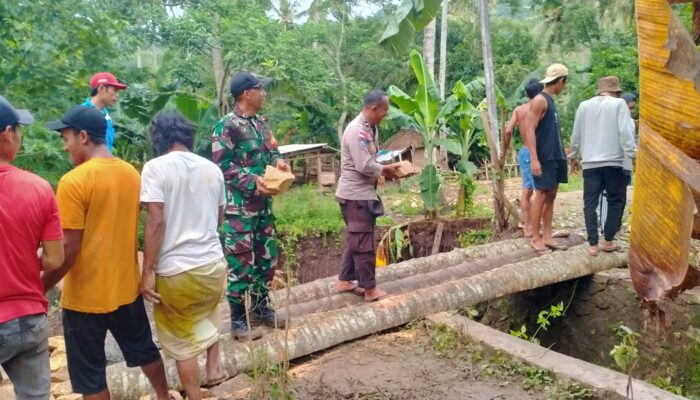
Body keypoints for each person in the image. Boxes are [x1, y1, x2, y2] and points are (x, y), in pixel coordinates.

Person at [41, 105, 170, 399]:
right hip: (126, 289)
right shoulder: (130, 173)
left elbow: (68, 249)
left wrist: (42, 287)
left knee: (91, 376)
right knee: (145, 350)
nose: (65, 146)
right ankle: (164, 396)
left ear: (83, 136)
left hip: (85, 299)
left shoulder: (73, 182)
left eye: (66, 138)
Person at [140, 111, 228, 397]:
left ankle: (193, 394)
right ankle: (214, 368)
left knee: (182, 341)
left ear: (159, 138)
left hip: (177, 271)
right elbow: (218, 221)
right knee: (208, 309)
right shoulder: (211, 169)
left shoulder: (155, 168)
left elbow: (155, 221)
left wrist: (148, 271)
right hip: (213, 265)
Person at [212, 71, 291, 340]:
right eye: (261, 89)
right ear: (246, 93)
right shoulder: (226, 126)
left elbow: (273, 151)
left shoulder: (261, 124)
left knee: (266, 259)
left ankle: (260, 308)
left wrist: (279, 163)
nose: (264, 93)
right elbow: (222, 165)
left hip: (263, 207)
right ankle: (237, 320)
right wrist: (251, 180)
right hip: (239, 210)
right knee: (241, 262)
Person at [0, 96, 64, 399]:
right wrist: (21, 256)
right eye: (18, 130)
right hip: (28, 317)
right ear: (6, 134)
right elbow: (54, 259)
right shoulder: (38, 188)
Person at [335, 89, 401, 302]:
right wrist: (388, 170)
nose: (386, 115)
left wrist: (386, 169)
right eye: (384, 110)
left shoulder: (370, 129)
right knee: (363, 243)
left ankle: (345, 280)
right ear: (373, 109)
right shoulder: (356, 131)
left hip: (362, 194)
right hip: (356, 195)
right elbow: (364, 165)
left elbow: (371, 160)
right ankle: (369, 289)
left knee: (358, 237)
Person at [570, 76, 637, 256]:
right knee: (616, 201)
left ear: (599, 90)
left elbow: (576, 134)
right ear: (616, 92)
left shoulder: (584, 106)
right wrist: (633, 154)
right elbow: (625, 132)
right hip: (613, 163)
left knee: (590, 203)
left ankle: (592, 244)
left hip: (590, 164)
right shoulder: (618, 105)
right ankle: (608, 240)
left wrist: (573, 155)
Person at [523, 63, 569, 255]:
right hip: (545, 157)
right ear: (560, 81)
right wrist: (534, 158)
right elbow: (529, 130)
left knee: (551, 195)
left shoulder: (550, 100)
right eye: (564, 83)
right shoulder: (540, 100)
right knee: (541, 194)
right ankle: (535, 237)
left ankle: (548, 236)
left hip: (556, 155)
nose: (564, 87)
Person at [504, 79, 544, 237]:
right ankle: (533, 227)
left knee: (528, 190)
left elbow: (508, 131)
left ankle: (529, 226)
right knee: (540, 191)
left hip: (526, 152)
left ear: (526, 94)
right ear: (540, 92)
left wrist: (505, 149)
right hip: (540, 152)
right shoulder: (542, 108)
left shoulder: (519, 110)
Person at [83, 72, 128, 153]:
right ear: (102, 88)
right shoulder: (83, 113)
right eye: (115, 90)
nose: (117, 95)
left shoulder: (105, 113)